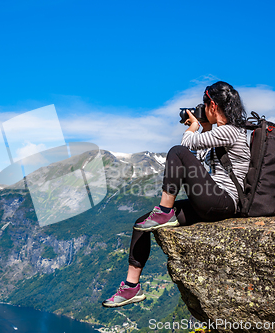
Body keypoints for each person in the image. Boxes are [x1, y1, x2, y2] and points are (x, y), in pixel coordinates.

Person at [102, 81, 251, 308]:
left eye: (204, 104)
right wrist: (204, 126)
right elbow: (198, 162)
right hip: (212, 199)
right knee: (142, 223)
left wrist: (193, 127)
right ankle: (132, 287)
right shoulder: (220, 134)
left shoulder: (232, 131)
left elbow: (186, 144)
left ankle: (165, 210)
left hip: (224, 202)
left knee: (176, 151)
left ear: (212, 104)